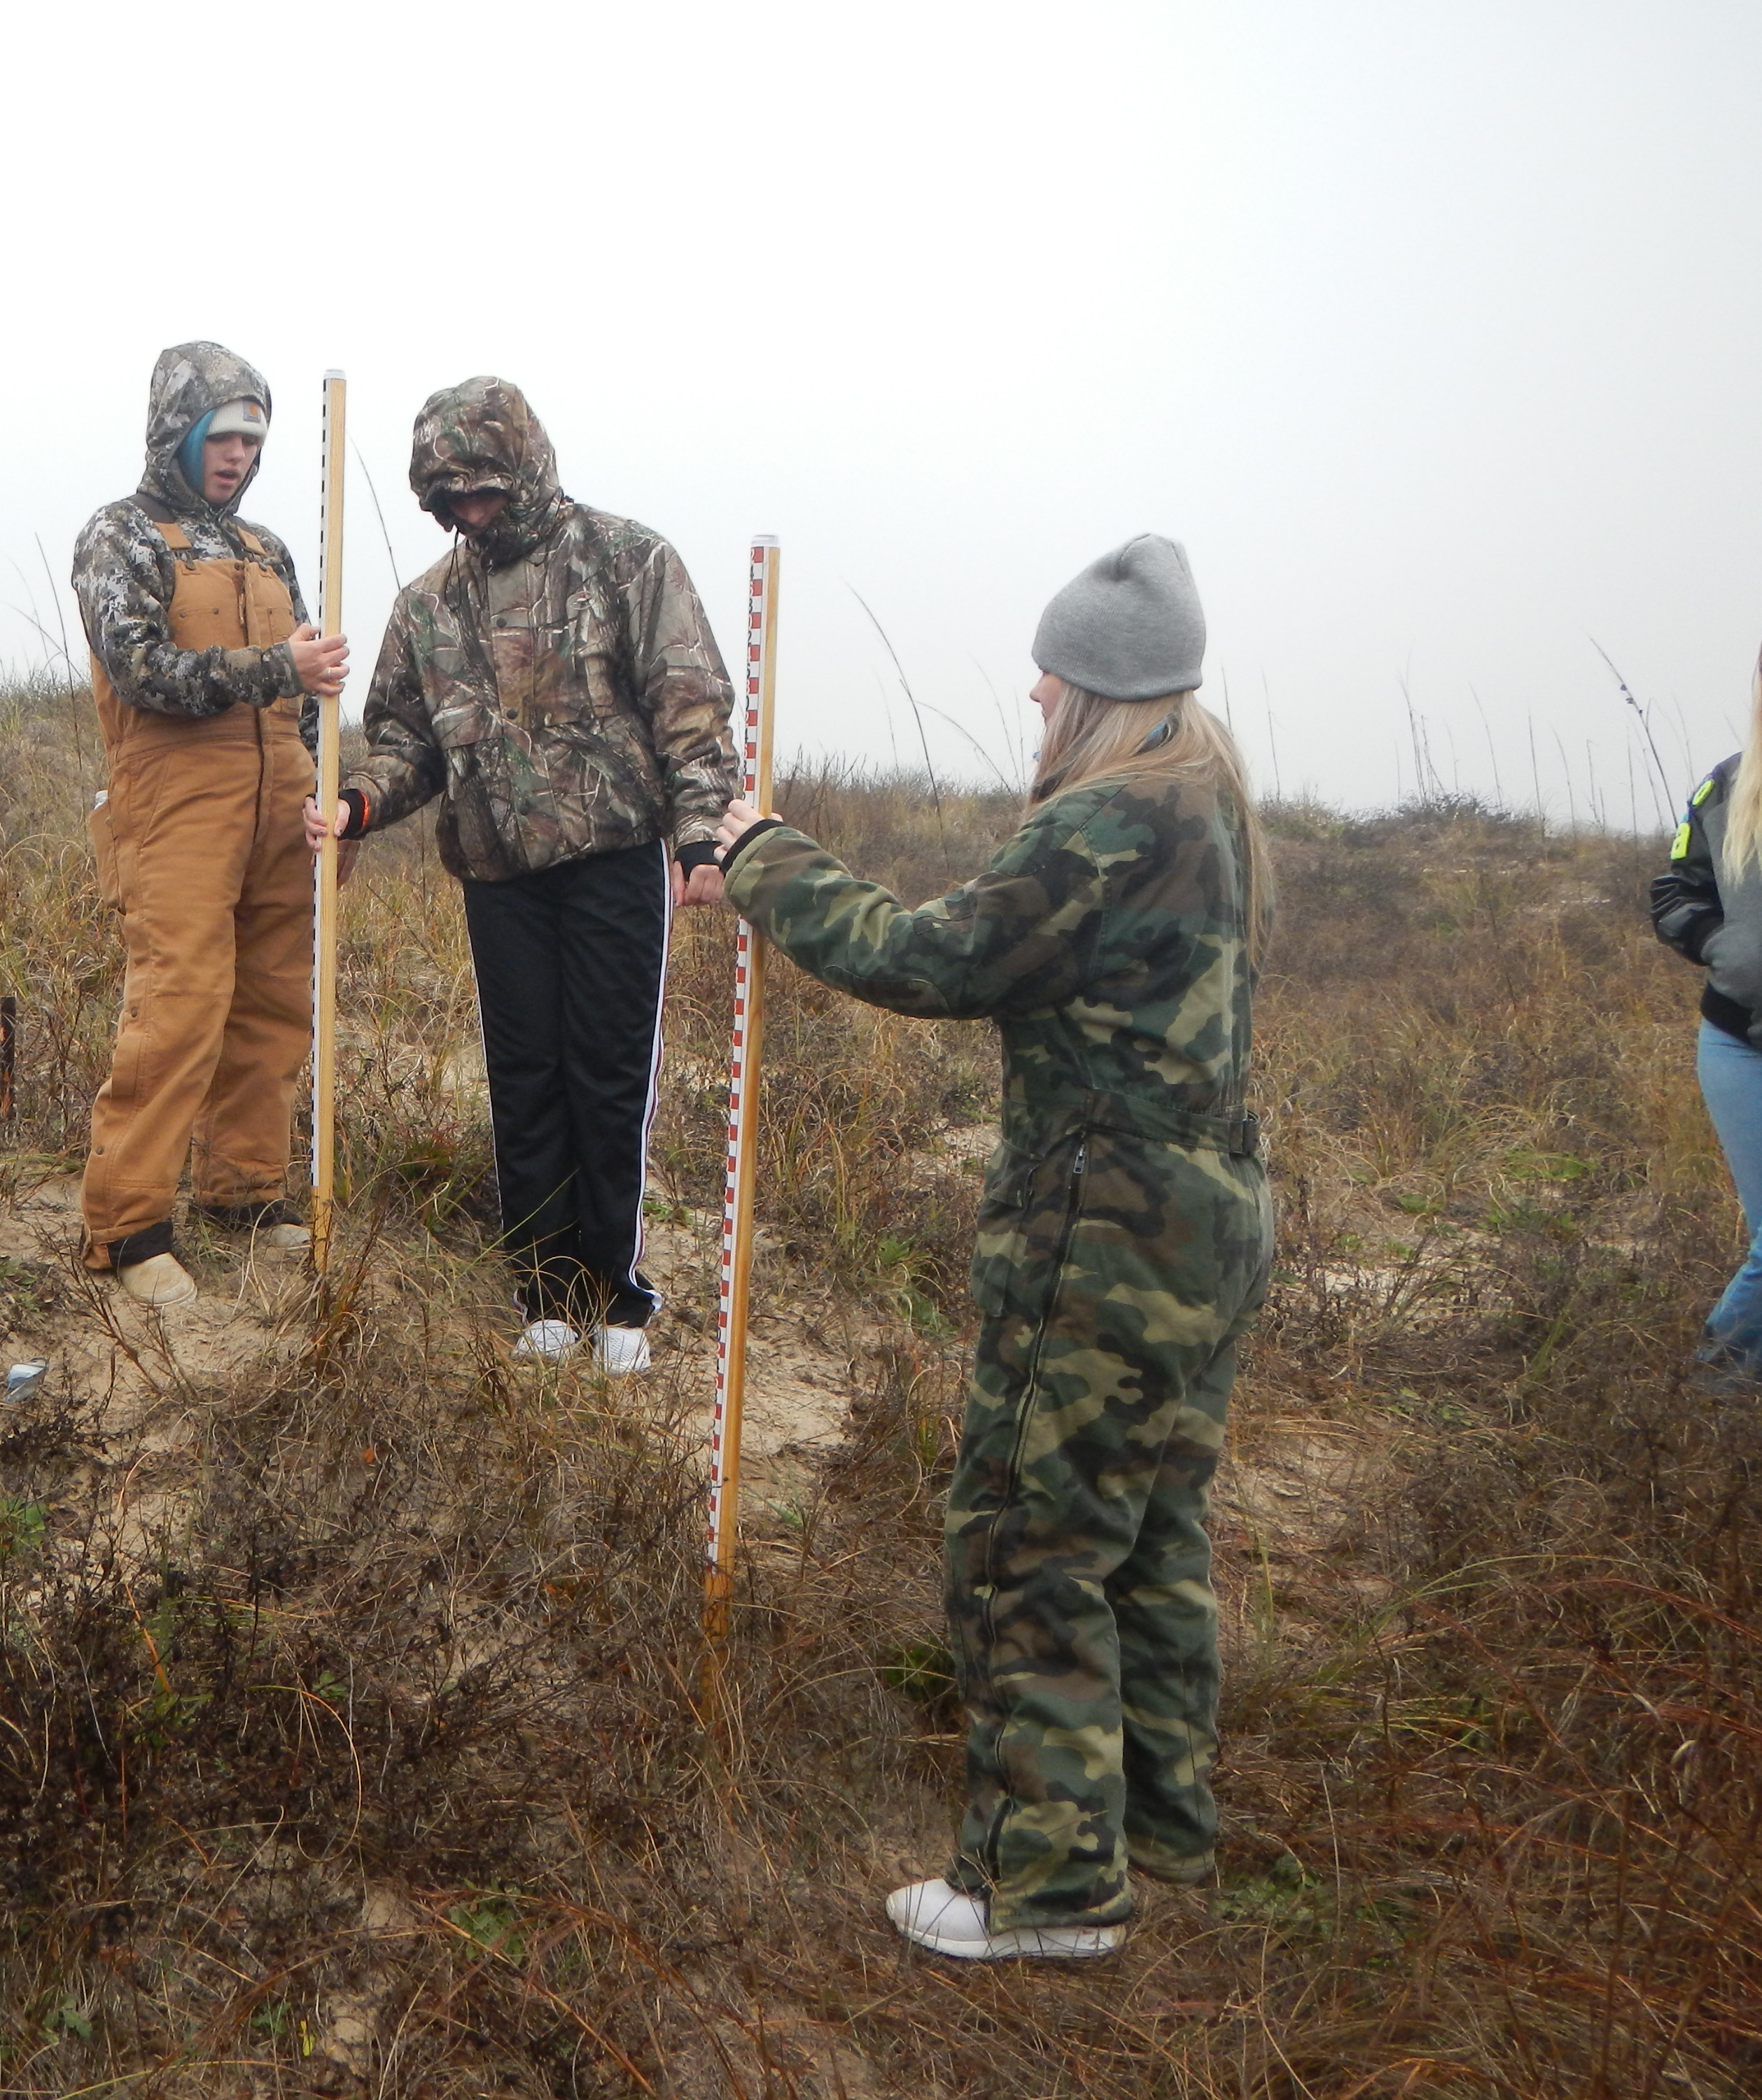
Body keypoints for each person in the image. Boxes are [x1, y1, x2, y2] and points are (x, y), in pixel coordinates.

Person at [714, 536, 1273, 1961]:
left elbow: (933, 958)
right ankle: (1158, 1834)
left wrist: (758, 856)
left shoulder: (1102, 820)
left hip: (1107, 1229)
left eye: (1052, 674)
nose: (1030, 687)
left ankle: (1044, 1892)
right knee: (1142, 1534)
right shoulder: (1209, 796)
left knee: (1024, 1542)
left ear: (1100, 689)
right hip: (1206, 1215)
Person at [306, 377, 737, 1374]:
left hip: (616, 863)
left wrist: (701, 836)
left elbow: (689, 703)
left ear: (527, 466)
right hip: (498, 874)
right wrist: (358, 805)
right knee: (525, 1079)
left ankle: (619, 1294)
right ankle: (543, 1288)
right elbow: (407, 744)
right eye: (449, 496)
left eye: (485, 487)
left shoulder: (629, 560)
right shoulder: (427, 607)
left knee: (607, 1074)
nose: (470, 509)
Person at [71, 341, 347, 1308]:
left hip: (281, 805)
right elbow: (143, 670)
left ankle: (245, 1194)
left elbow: (308, 688)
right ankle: (130, 1225)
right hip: (177, 804)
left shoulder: (265, 548)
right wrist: (281, 669)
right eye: (221, 436)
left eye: (253, 439)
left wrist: (325, 792)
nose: (238, 456)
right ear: (176, 433)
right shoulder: (121, 536)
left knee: (274, 1003)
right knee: (179, 1004)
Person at [1649, 668, 1762, 1381]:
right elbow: (1674, 893)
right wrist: (1727, 950)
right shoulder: (1726, 784)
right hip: (1737, 1043)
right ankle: (1710, 1395)